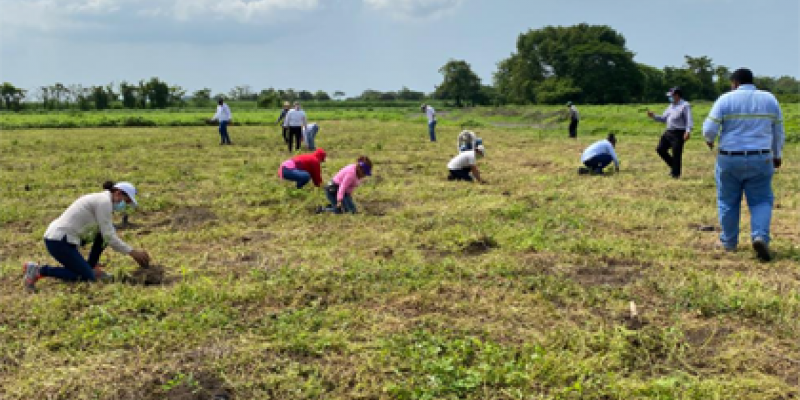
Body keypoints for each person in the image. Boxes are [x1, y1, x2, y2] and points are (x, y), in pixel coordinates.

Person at [702, 68, 785, 261]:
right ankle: (759, 236)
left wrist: (710, 140)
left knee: (728, 201)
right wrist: (777, 154)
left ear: (735, 83)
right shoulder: (769, 99)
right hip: (761, 157)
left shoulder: (725, 99)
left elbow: (709, 129)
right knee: (761, 200)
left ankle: (729, 242)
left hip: (730, 158)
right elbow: (778, 131)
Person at [22, 181, 152, 291]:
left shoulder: (102, 200)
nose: (124, 205)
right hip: (59, 241)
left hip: (65, 238)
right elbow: (109, 237)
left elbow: (105, 234)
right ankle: (39, 270)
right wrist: (132, 252)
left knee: (106, 232)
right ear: (118, 193)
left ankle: (91, 266)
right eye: (126, 201)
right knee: (87, 277)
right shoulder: (104, 202)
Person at [647, 87, 693, 178]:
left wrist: (688, 131)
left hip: (679, 132)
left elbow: (689, 120)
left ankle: (675, 174)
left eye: (671, 96)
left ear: (677, 95)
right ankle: (674, 167)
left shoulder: (685, 105)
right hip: (668, 132)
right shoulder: (671, 106)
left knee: (676, 153)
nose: (670, 98)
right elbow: (664, 118)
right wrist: (654, 116)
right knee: (660, 149)